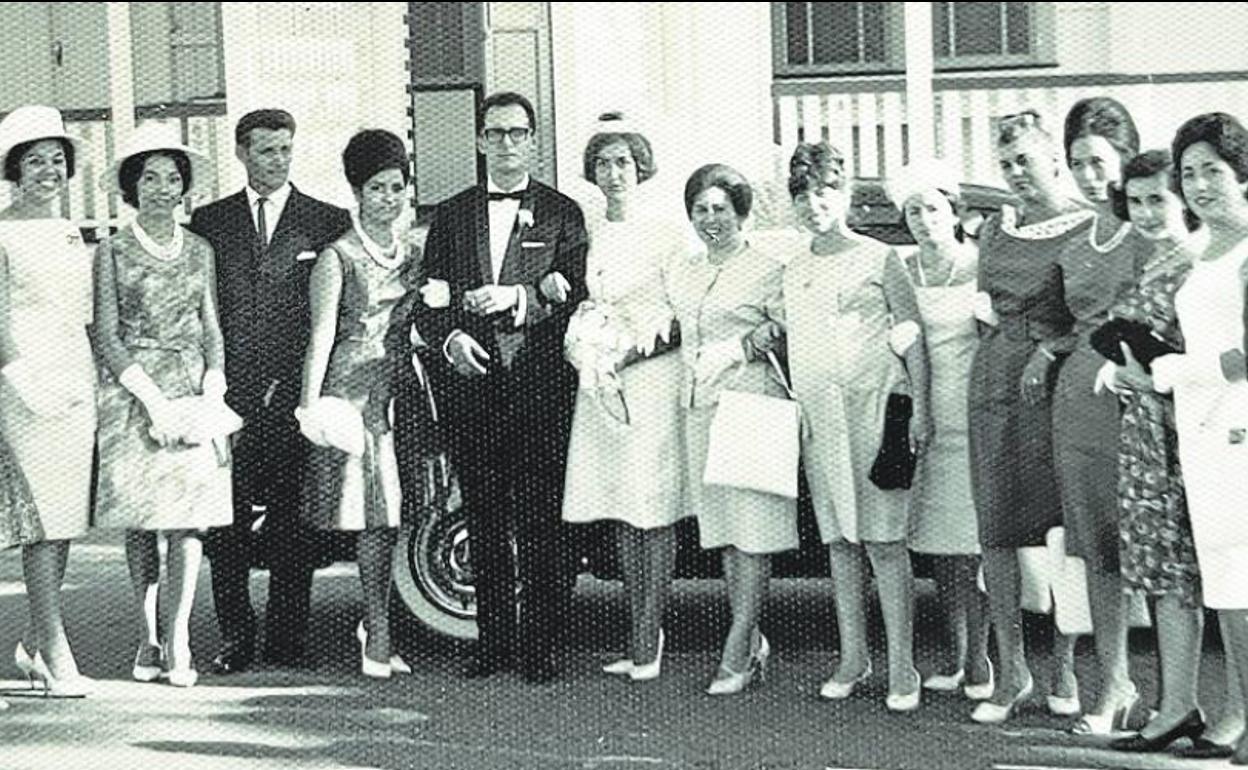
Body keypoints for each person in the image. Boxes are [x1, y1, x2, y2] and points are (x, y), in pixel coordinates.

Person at [415, 91, 588, 683]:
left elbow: (577, 296)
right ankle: (491, 644)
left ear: (533, 140)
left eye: (518, 133)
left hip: (539, 385)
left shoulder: (564, 213)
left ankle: (540, 647)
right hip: (472, 384)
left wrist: (520, 298)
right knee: (483, 515)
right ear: (482, 141)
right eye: (497, 133)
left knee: (540, 518)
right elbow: (430, 294)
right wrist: (449, 341)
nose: (508, 143)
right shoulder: (453, 213)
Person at [189, 109, 351, 673]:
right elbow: (201, 311)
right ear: (241, 152)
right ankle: (235, 636)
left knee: (292, 524)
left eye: (286, 148)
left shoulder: (327, 221)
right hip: (228, 397)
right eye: (266, 150)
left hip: (293, 398)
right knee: (226, 524)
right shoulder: (209, 223)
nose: (278, 159)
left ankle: (288, 637)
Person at [781, 143, 929, 711]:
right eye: (802, 194)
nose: (813, 204)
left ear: (843, 195)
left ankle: (903, 667)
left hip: (875, 414)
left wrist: (922, 408)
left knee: (885, 543)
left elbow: (910, 331)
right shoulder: (792, 268)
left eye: (823, 191)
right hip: (820, 420)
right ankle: (853, 656)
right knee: (840, 544)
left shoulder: (878, 257)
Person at [1088, 149, 1221, 754]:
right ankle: (1177, 705)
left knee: (1204, 574)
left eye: (1157, 199)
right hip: (1147, 431)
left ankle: (1224, 713)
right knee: (1167, 577)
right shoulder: (1164, 258)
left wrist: (1150, 374)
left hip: (1187, 428)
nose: (1144, 212)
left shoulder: (1202, 261)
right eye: (1135, 201)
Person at [92, 126, 235, 688]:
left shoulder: (200, 249)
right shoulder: (112, 249)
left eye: (172, 178)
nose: (161, 188)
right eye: (149, 177)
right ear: (132, 185)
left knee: (189, 522)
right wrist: (150, 400)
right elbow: (106, 335)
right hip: (133, 395)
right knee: (145, 523)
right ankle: (147, 635)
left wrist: (213, 388)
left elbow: (212, 327)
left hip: (193, 390)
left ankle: (178, 640)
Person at [967, 109, 1091, 724]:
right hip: (992, 379)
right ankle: (1010, 670)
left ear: (1054, 160)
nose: (1016, 173)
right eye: (1006, 163)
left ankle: (1064, 665)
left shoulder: (1086, 225)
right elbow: (983, 304)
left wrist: (1050, 347)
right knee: (996, 527)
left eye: (1025, 161)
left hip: (1054, 386)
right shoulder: (995, 227)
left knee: (1059, 528)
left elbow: (1094, 315)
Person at [560, 114, 687, 681]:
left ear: (641, 169)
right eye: (604, 164)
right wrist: (588, 345)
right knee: (618, 503)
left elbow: (686, 316)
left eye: (623, 163)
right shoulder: (590, 230)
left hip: (651, 379)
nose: (613, 174)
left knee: (652, 505)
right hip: (601, 381)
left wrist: (628, 354)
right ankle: (637, 631)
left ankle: (648, 637)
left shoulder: (666, 232)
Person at [664, 163, 796, 695]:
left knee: (753, 535)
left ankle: (737, 646)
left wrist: (758, 338)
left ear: (741, 211)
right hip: (700, 408)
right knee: (724, 534)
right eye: (700, 209)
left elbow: (791, 329)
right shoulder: (688, 270)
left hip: (751, 407)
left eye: (721, 208)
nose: (711, 218)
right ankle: (752, 637)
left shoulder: (767, 268)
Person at [297, 129, 419, 679]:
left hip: (405, 391)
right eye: (377, 188)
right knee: (373, 517)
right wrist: (309, 407)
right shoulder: (337, 257)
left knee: (398, 518)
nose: (388, 199)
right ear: (356, 191)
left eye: (396, 187)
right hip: (354, 394)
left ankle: (381, 624)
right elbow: (320, 335)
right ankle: (378, 631)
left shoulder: (415, 253)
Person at [1145, 113, 1248, 761]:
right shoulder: (1199, 251)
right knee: (1229, 590)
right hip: (1203, 437)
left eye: (1214, 169)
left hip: (1240, 431)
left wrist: (1178, 370)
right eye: (1189, 173)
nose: (1201, 184)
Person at [1050, 97, 1142, 733]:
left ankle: (1180, 696)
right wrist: (1046, 351)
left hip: (1131, 400)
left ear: (1126, 159)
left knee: (1142, 549)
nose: (1088, 175)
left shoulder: (1150, 229)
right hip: (1074, 403)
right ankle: (1114, 684)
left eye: (1099, 162)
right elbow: (1063, 320)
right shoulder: (1077, 234)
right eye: (1077, 162)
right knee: (1094, 550)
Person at [886, 162, 992, 702]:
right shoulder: (903, 270)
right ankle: (957, 654)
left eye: (932, 208)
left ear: (954, 212)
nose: (923, 220)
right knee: (940, 547)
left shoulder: (979, 264)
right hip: (924, 421)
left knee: (976, 547)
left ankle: (982, 659)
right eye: (912, 211)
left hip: (974, 417)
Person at [0, 105, 96, 697]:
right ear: (14, 169)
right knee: (39, 522)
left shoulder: (70, 230)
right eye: (35, 161)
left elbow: (81, 316)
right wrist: (19, 377)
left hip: (73, 381)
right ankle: (57, 651)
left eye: (56, 161)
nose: (48, 171)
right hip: (24, 386)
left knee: (62, 521)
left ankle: (36, 645)